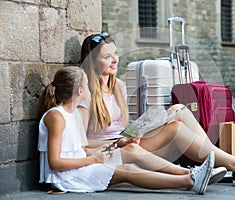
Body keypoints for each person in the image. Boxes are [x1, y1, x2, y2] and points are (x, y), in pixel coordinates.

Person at [78, 32, 235, 187]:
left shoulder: (118, 86)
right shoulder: (85, 94)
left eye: (115, 54)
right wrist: (120, 141)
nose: (115, 60)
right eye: (107, 57)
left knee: (179, 109)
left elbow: (123, 128)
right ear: (92, 60)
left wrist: (138, 130)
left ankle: (216, 162)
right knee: (175, 129)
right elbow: (80, 143)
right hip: (112, 151)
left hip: (130, 143)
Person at [37, 66, 219, 194]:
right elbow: (55, 163)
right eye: (86, 84)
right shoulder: (56, 117)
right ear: (79, 91)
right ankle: (191, 182)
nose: (89, 87)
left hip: (83, 163)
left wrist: (117, 143)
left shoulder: (72, 115)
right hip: (67, 177)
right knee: (127, 170)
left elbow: (81, 148)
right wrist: (94, 159)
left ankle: (190, 173)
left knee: (131, 149)